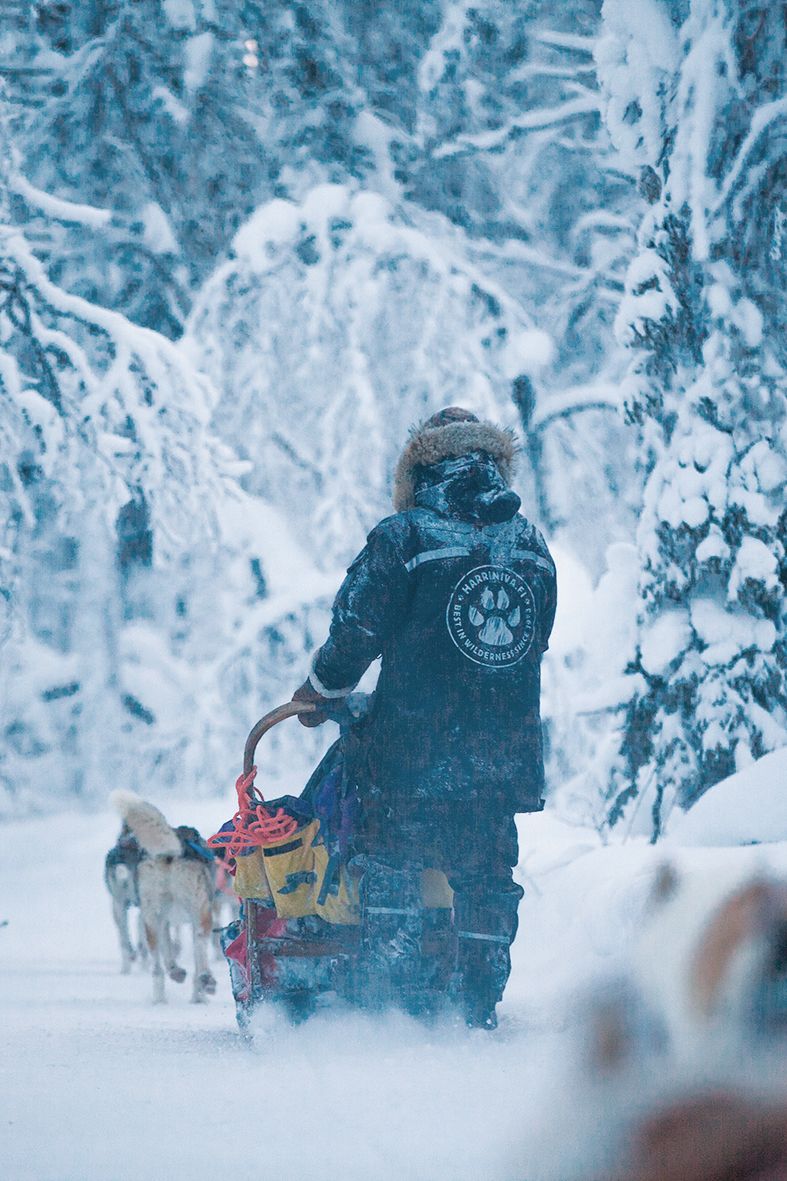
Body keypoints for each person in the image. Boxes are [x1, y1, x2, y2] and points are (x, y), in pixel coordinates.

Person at [292, 407, 557, 1028]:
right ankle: (475, 1008)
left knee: (393, 864)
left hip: (410, 755)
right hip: (502, 758)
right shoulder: (531, 545)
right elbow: (537, 638)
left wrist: (321, 691)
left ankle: (393, 1005)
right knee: (487, 875)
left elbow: (357, 630)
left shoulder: (404, 537)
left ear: (417, 470)